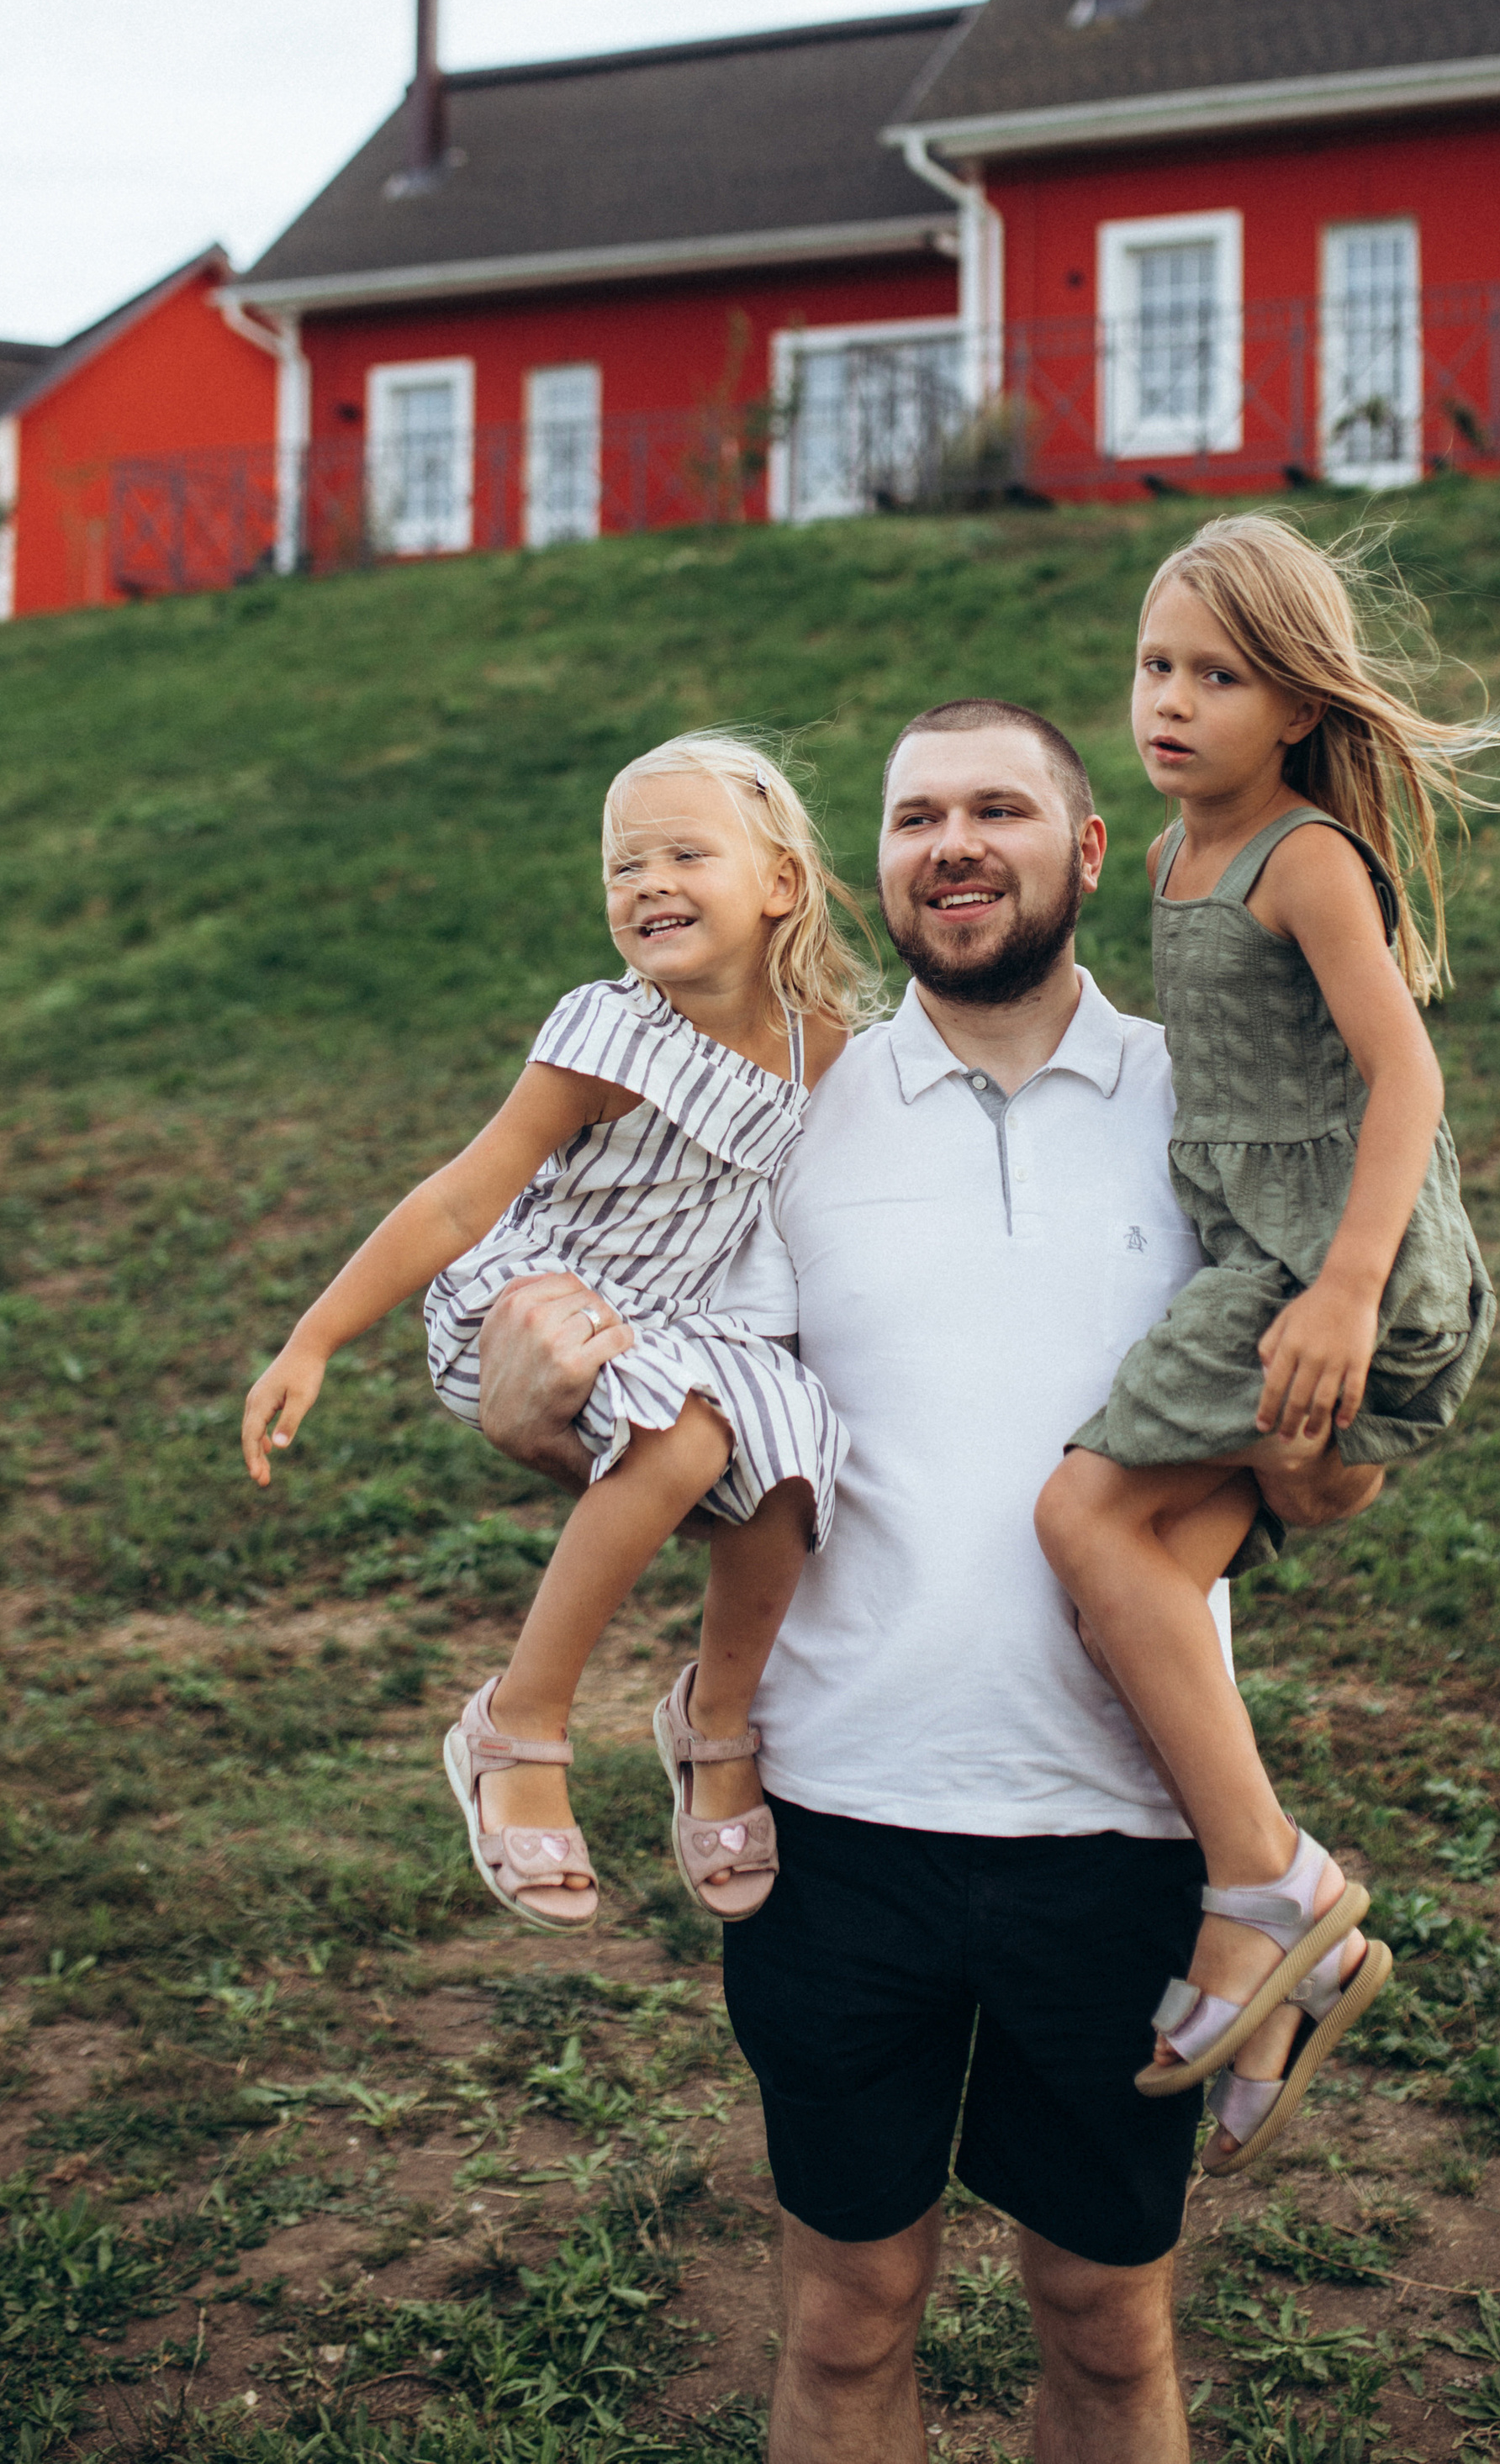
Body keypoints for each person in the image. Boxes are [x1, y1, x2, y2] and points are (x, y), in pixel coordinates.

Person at [473, 698, 1383, 2464]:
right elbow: (672, 1419)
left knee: (1108, 2334)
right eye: (913, 818)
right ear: (870, 866)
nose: (952, 846)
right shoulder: (787, 1115)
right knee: (840, 2323)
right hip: (832, 1833)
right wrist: (530, 1410)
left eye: (997, 810)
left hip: (1121, 1840)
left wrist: (1321, 1430)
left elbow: (1331, 1486)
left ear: (1087, 849)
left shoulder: (1212, 1110)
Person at [1037, 513, 1500, 2177]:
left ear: (1297, 704)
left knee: (1079, 1520)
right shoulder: (1174, 858)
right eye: (1153, 665)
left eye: (1215, 675)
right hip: (1259, 1255)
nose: (1168, 700)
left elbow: (1406, 1078)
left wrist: (1341, 1289)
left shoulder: (1301, 858)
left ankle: (1267, 1879)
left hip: (1332, 1270)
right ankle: (1279, 1965)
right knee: (1147, 1562)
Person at [238, 733, 876, 1931]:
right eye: (624, 867)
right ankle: (516, 1725)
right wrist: (315, 1338)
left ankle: (716, 1720)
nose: (648, 884)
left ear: (780, 883)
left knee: (800, 1444)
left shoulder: (824, 1052)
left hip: (683, 1325)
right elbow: (460, 1198)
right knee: (686, 1437)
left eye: (687, 853)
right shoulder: (608, 1035)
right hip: (534, 1300)